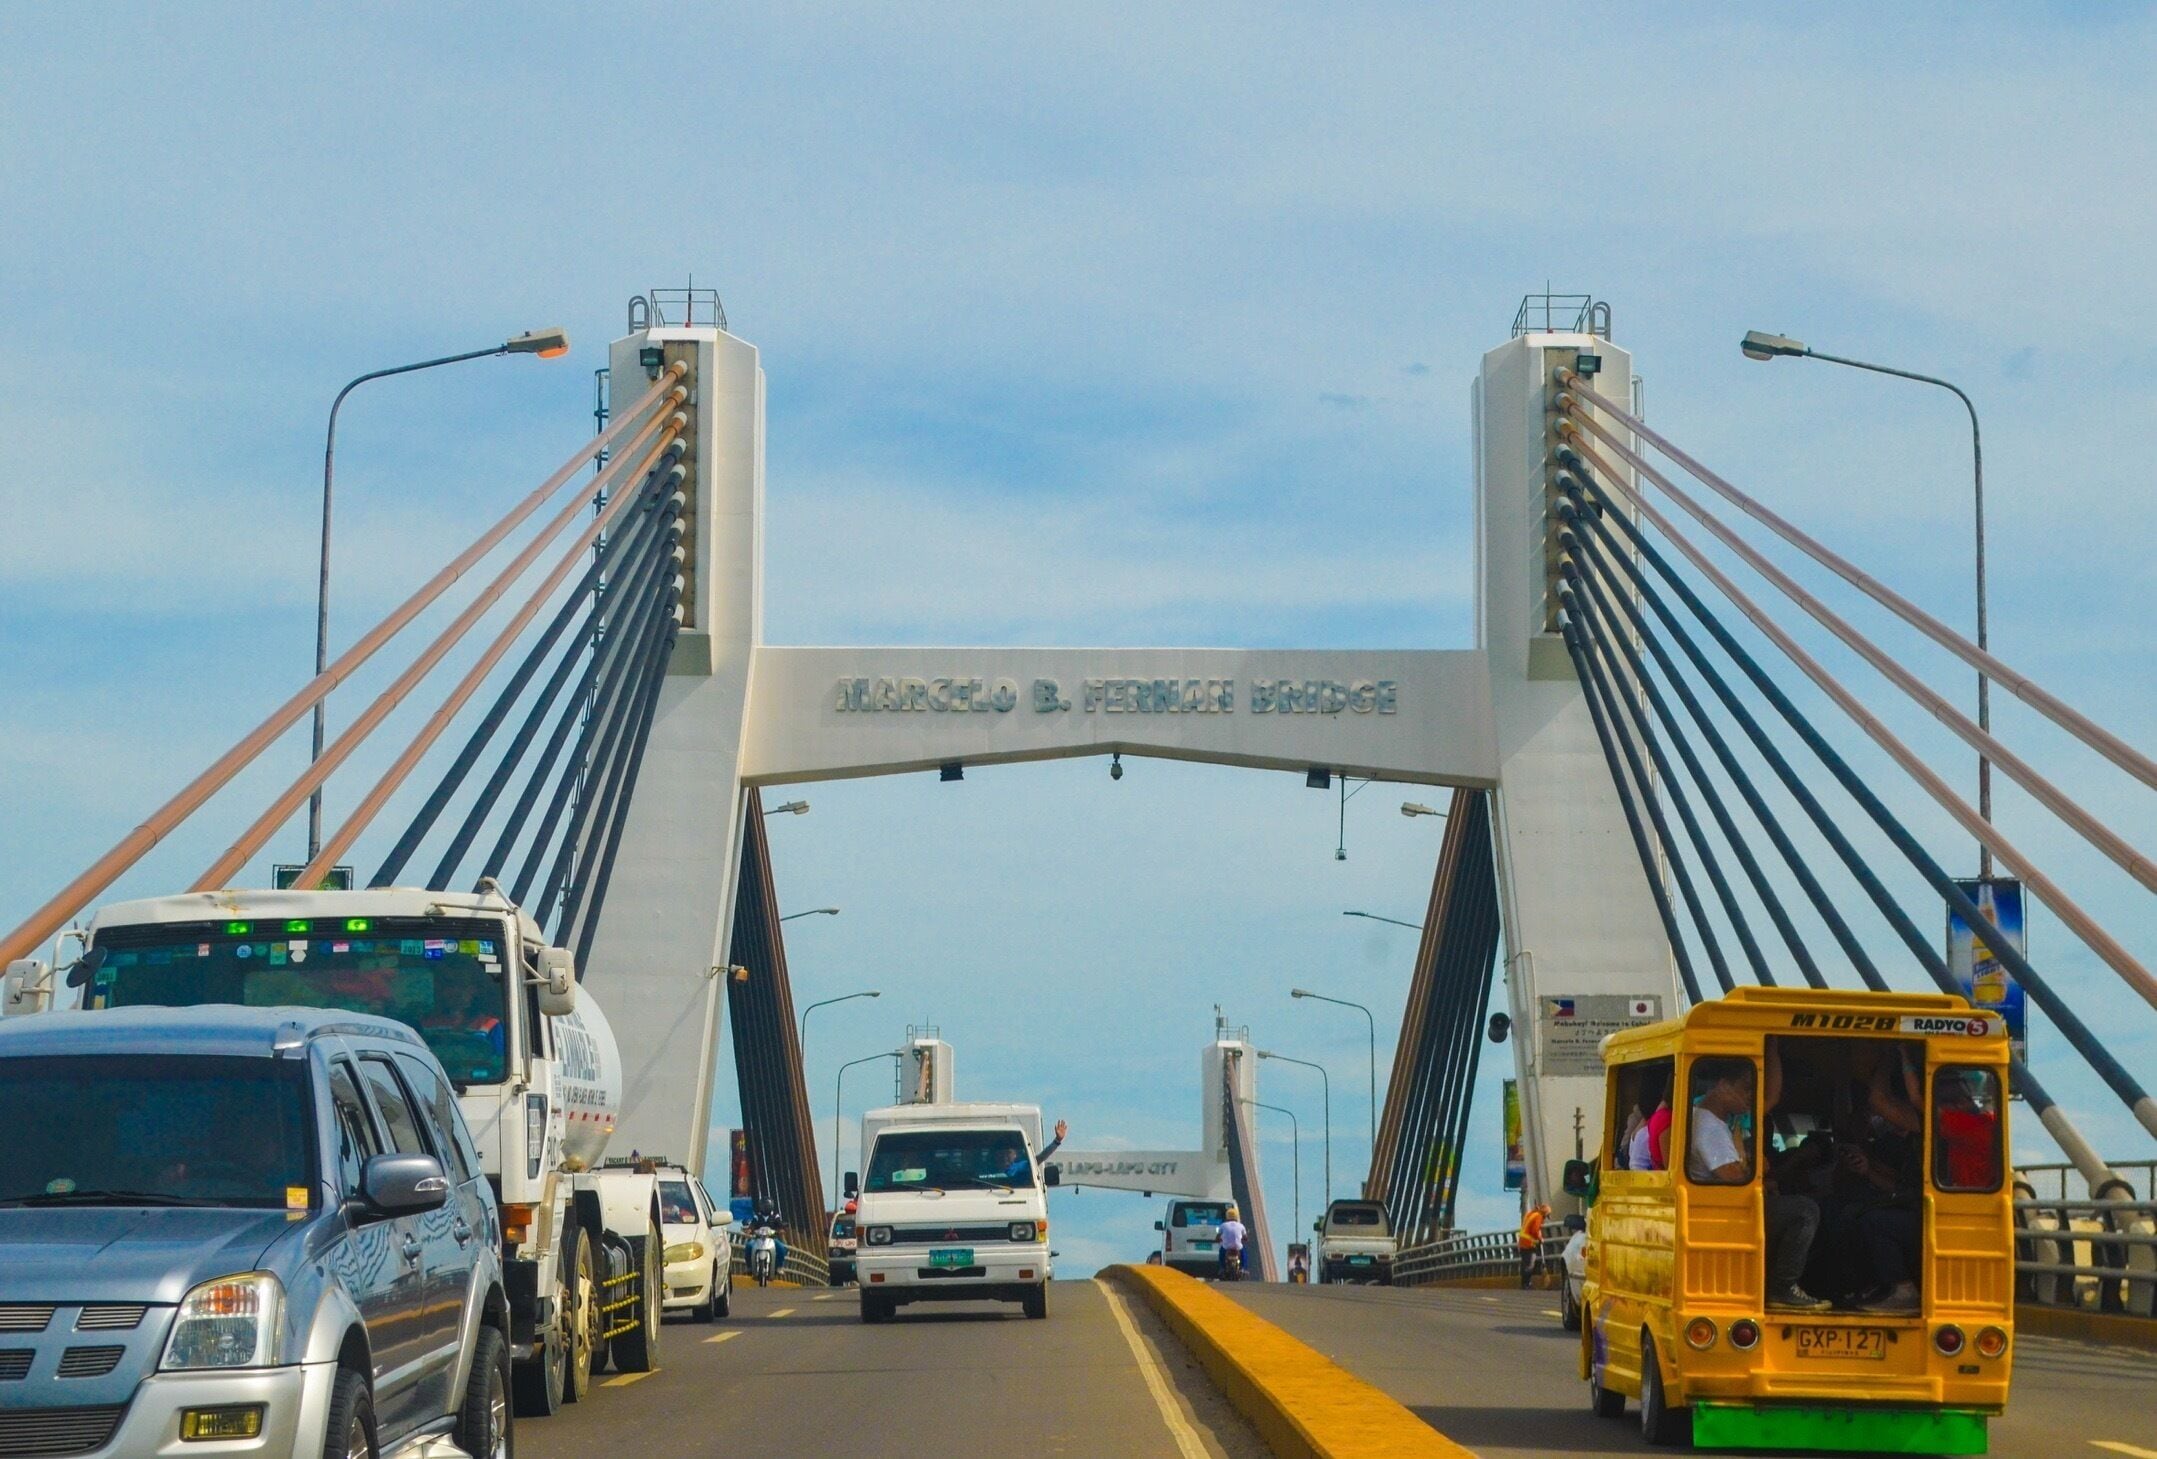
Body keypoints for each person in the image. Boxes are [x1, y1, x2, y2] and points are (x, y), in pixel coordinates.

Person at [1689, 1048, 1829, 1312]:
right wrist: (1757, 1170)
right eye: (1745, 1088)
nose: (1750, 1096)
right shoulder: (1709, 1128)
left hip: (1728, 1210)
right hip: (1727, 1213)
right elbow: (1732, 1177)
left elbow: (1770, 1098)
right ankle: (1783, 1286)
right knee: (1805, 1210)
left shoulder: (1715, 1119)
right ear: (1721, 1085)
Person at [992, 1119, 1068, 1184]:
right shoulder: (987, 1169)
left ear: (1015, 1155)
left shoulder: (1020, 1167)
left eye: (1008, 1153)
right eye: (1002, 1153)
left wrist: (1057, 1141)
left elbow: (1041, 1157)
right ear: (996, 1155)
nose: (1005, 1157)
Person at [1516, 1202, 1550, 1286]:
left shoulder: (1531, 1214)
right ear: (1545, 1214)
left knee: (1525, 1264)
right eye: (1546, 1216)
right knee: (1530, 1265)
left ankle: (1524, 1283)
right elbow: (1535, 1230)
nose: (1545, 1219)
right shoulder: (1538, 1216)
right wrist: (1540, 1239)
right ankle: (1526, 1283)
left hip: (1522, 1243)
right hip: (1528, 1244)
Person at [1215, 1203, 1247, 1280]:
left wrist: (1218, 1240)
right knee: (1244, 1254)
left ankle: (1222, 1268)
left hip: (1226, 1247)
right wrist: (1243, 1240)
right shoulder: (1241, 1225)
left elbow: (1218, 1237)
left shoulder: (1223, 1225)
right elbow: (1245, 1237)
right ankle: (1243, 1268)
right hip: (1237, 1247)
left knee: (1221, 1253)